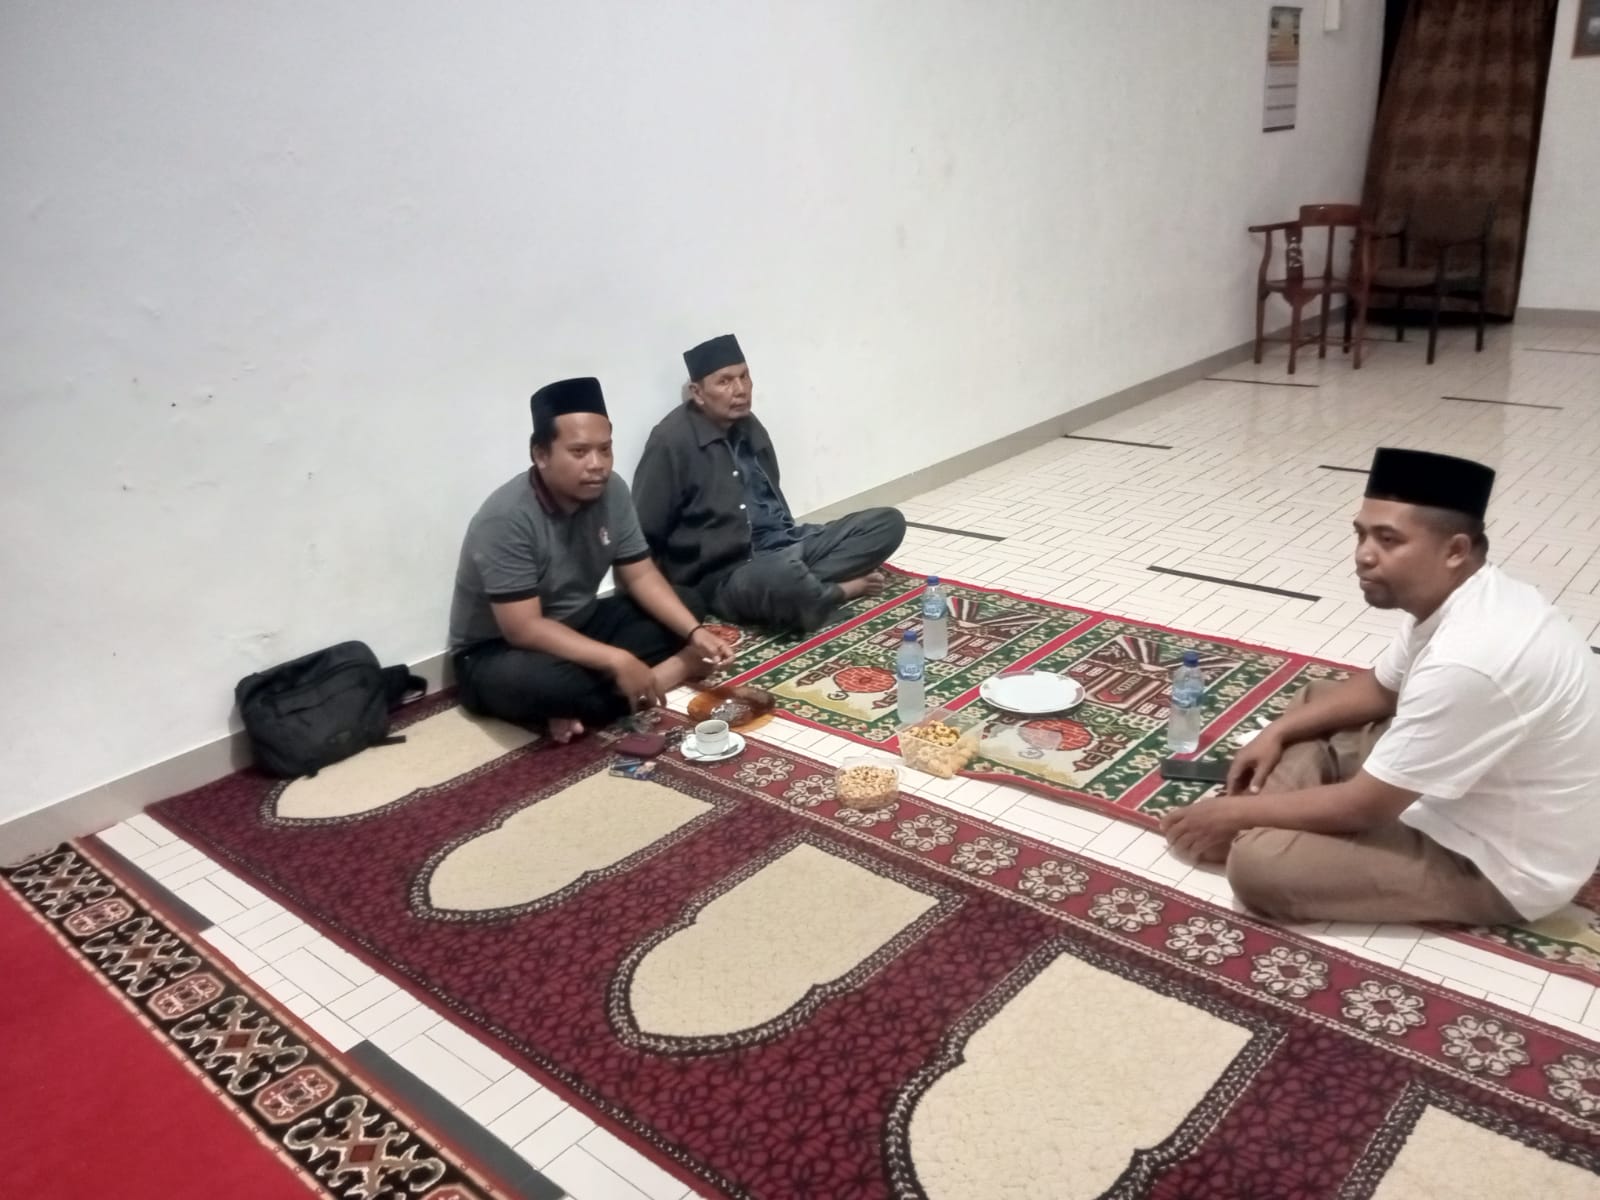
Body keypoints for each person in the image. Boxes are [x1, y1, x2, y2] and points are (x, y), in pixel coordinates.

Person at [1161, 447, 1600, 926]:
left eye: (1389, 540)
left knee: (1259, 865)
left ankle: (1262, 817)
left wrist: (1233, 815)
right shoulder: (1465, 595)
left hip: (1494, 862)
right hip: (1458, 788)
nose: (1364, 555)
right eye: (1361, 534)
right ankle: (1275, 811)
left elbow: (1366, 807)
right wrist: (1276, 733)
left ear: (1455, 550)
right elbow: (1382, 689)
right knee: (1316, 702)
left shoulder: (1472, 658)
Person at [449, 377, 734, 742]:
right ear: (541, 455)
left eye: (605, 449)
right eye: (580, 452)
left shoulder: (612, 491)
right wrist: (617, 659)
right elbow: (524, 628)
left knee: (687, 602)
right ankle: (669, 672)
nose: (597, 465)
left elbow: (641, 575)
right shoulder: (507, 518)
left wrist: (694, 633)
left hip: (579, 623)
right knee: (555, 685)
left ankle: (587, 703)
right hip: (498, 652)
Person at [632, 334, 907, 633]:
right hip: (729, 572)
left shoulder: (749, 425)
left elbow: (772, 498)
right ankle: (840, 589)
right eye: (725, 381)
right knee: (781, 577)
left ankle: (800, 589)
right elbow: (644, 533)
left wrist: (795, 549)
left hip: (784, 545)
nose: (740, 389)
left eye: (744, 376)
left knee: (887, 523)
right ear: (697, 393)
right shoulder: (670, 442)